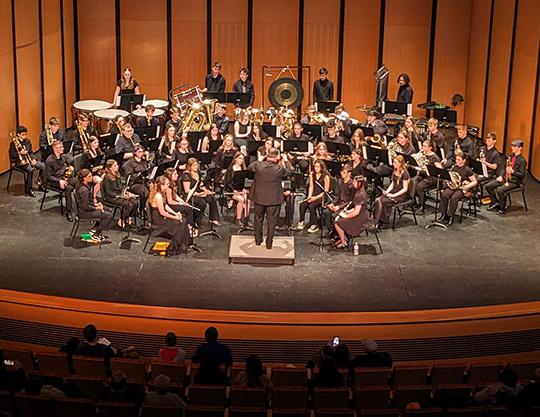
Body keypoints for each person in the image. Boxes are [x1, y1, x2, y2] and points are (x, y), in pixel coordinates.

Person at [248, 147, 289, 249]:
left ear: (267, 154)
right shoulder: (279, 169)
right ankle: (269, 243)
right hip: (273, 199)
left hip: (259, 198)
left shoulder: (258, 166)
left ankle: (258, 241)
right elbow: (289, 172)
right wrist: (286, 160)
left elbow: (249, 167)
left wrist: (260, 159)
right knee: (271, 221)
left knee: (258, 219)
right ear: (276, 157)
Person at [149, 176, 190, 255]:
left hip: (161, 217)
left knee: (183, 220)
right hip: (159, 220)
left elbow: (165, 206)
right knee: (180, 223)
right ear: (161, 185)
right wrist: (175, 217)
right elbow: (162, 212)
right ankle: (173, 248)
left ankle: (183, 245)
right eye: (167, 184)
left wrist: (175, 213)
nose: (168, 186)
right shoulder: (158, 196)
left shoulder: (161, 193)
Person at [485, 139, 527, 215]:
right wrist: (501, 175)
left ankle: (502, 208)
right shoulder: (511, 156)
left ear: (520, 148)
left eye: (515, 146)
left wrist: (513, 171)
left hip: (514, 181)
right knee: (488, 186)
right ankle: (495, 202)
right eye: (512, 146)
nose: (512, 148)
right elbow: (504, 167)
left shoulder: (522, 160)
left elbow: (522, 174)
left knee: (500, 190)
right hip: (505, 178)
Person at [437, 151, 478, 226]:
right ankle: (444, 214)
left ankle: (450, 217)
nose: (457, 161)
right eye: (456, 159)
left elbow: (475, 181)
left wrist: (467, 186)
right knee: (444, 194)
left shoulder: (467, 170)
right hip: (454, 186)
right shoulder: (454, 167)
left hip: (462, 188)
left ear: (463, 160)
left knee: (454, 197)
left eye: (459, 160)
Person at [74, 169, 114, 241]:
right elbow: (85, 207)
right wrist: (96, 208)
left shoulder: (83, 185)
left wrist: (96, 204)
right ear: (84, 178)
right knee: (109, 216)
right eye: (89, 176)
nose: (91, 177)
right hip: (84, 212)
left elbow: (88, 202)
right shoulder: (84, 190)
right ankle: (96, 234)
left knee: (109, 209)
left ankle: (95, 228)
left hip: (86, 208)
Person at [373, 155, 411, 229]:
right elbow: (393, 184)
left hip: (401, 194)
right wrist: (387, 191)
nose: (393, 164)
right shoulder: (395, 171)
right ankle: (377, 220)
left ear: (400, 163)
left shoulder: (405, 173)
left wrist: (393, 195)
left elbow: (405, 189)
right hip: (394, 191)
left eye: (395, 162)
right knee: (378, 199)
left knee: (384, 201)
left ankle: (384, 221)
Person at [333, 175, 371, 249]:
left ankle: (343, 242)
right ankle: (343, 238)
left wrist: (345, 216)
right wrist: (347, 211)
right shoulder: (359, 192)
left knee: (337, 223)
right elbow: (356, 208)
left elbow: (357, 212)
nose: (353, 183)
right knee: (336, 216)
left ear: (359, 184)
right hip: (361, 214)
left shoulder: (359, 195)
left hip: (361, 218)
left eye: (354, 182)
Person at [181, 158, 220, 228]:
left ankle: (213, 218)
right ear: (189, 166)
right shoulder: (186, 176)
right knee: (202, 203)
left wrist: (206, 191)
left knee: (211, 198)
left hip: (198, 191)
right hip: (190, 194)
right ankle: (196, 221)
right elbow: (187, 190)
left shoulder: (198, 173)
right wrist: (199, 194)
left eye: (197, 165)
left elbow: (200, 185)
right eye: (194, 165)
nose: (196, 167)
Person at [296, 159, 331, 234]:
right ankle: (301, 221)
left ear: (322, 167)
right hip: (313, 195)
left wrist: (315, 198)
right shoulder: (312, 174)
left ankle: (314, 224)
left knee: (312, 206)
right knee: (303, 204)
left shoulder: (326, 176)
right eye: (315, 167)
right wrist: (309, 196)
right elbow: (311, 186)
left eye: (318, 167)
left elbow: (326, 191)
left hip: (321, 196)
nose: (316, 168)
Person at [9, 125, 45, 197]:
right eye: (23, 134)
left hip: (29, 159)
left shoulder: (27, 141)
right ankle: (29, 189)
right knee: (30, 169)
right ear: (18, 134)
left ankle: (41, 184)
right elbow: (12, 155)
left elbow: (31, 152)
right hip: (19, 162)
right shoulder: (13, 143)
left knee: (43, 166)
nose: (25, 136)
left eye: (26, 134)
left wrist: (34, 159)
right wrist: (19, 153)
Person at [101, 159, 138, 228]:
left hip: (119, 194)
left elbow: (120, 187)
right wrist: (121, 196)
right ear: (110, 167)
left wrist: (126, 193)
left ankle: (128, 218)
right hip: (111, 197)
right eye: (115, 165)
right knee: (128, 204)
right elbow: (109, 192)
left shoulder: (117, 174)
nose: (117, 166)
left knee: (135, 202)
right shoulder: (106, 177)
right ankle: (121, 220)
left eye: (116, 165)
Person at [45, 140, 76, 220]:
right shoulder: (49, 160)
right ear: (55, 149)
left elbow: (66, 165)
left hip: (64, 177)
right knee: (68, 188)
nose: (63, 148)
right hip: (54, 181)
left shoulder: (63, 157)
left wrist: (69, 168)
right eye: (60, 147)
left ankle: (82, 205)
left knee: (79, 181)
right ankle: (68, 212)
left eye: (62, 146)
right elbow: (48, 177)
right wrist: (59, 181)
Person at [324, 165, 355, 237]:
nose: (342, 174)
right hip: (339, 203)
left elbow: (351, 201)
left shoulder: (352, 185)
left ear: (349, 174)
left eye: (344, 173)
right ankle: (332, 231)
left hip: (348, 206)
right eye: (341, 172)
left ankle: (340, 234)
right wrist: (333, 203)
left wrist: (339, 207)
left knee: (335, 215)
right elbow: (337, 196)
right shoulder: (339, 181)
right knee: (326, 212)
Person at [163, 167, 196, 235]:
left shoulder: (173, 183)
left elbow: (175, 195)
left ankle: (189, 225)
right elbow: (170, 202)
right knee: (188, 209)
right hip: (169, 205)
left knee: (188, 207)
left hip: (173, 203)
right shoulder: (168, 187)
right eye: (175, 174)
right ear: (170, 176)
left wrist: (182, 201)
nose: (177, 175)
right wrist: (180, 203)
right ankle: (189, 227)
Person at [411, 139, 441, 209]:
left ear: (430, 148)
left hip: (432, 177)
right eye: (422, 146)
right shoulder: (422, 153)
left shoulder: (434, 157)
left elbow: (440, 170)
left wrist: (428, 169)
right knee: (412, 182)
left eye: (425, 146)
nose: (422, 148)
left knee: (419, 187)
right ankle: (414, 202)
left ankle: (421, 205)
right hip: (423, 174)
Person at [224, 152, 251, 227]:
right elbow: (228, 182)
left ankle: (246, 219)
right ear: (235, 159)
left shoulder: (243, 169)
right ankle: (238, 219)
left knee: (248, 200)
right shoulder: (230, 169)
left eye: (242, 158)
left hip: (240, 190)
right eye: (239, 158)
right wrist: (234, 191)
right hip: (231, 190)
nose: (241, 160)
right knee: (241, 199)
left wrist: (244, 189)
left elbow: (245, 181)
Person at [79, 135, 105, 202]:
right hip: (89, 173)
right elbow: (82, 167)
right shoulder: (86, 153)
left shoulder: (98, 151)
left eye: (97, 142)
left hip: (97, 171)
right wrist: (91, 170)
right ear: (90, 143)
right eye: (95, 143)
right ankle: (93, 197)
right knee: (100, 181)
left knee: (107, 177)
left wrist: (100, 167)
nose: (97, 144)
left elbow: (101, 161)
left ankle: (106, 196)